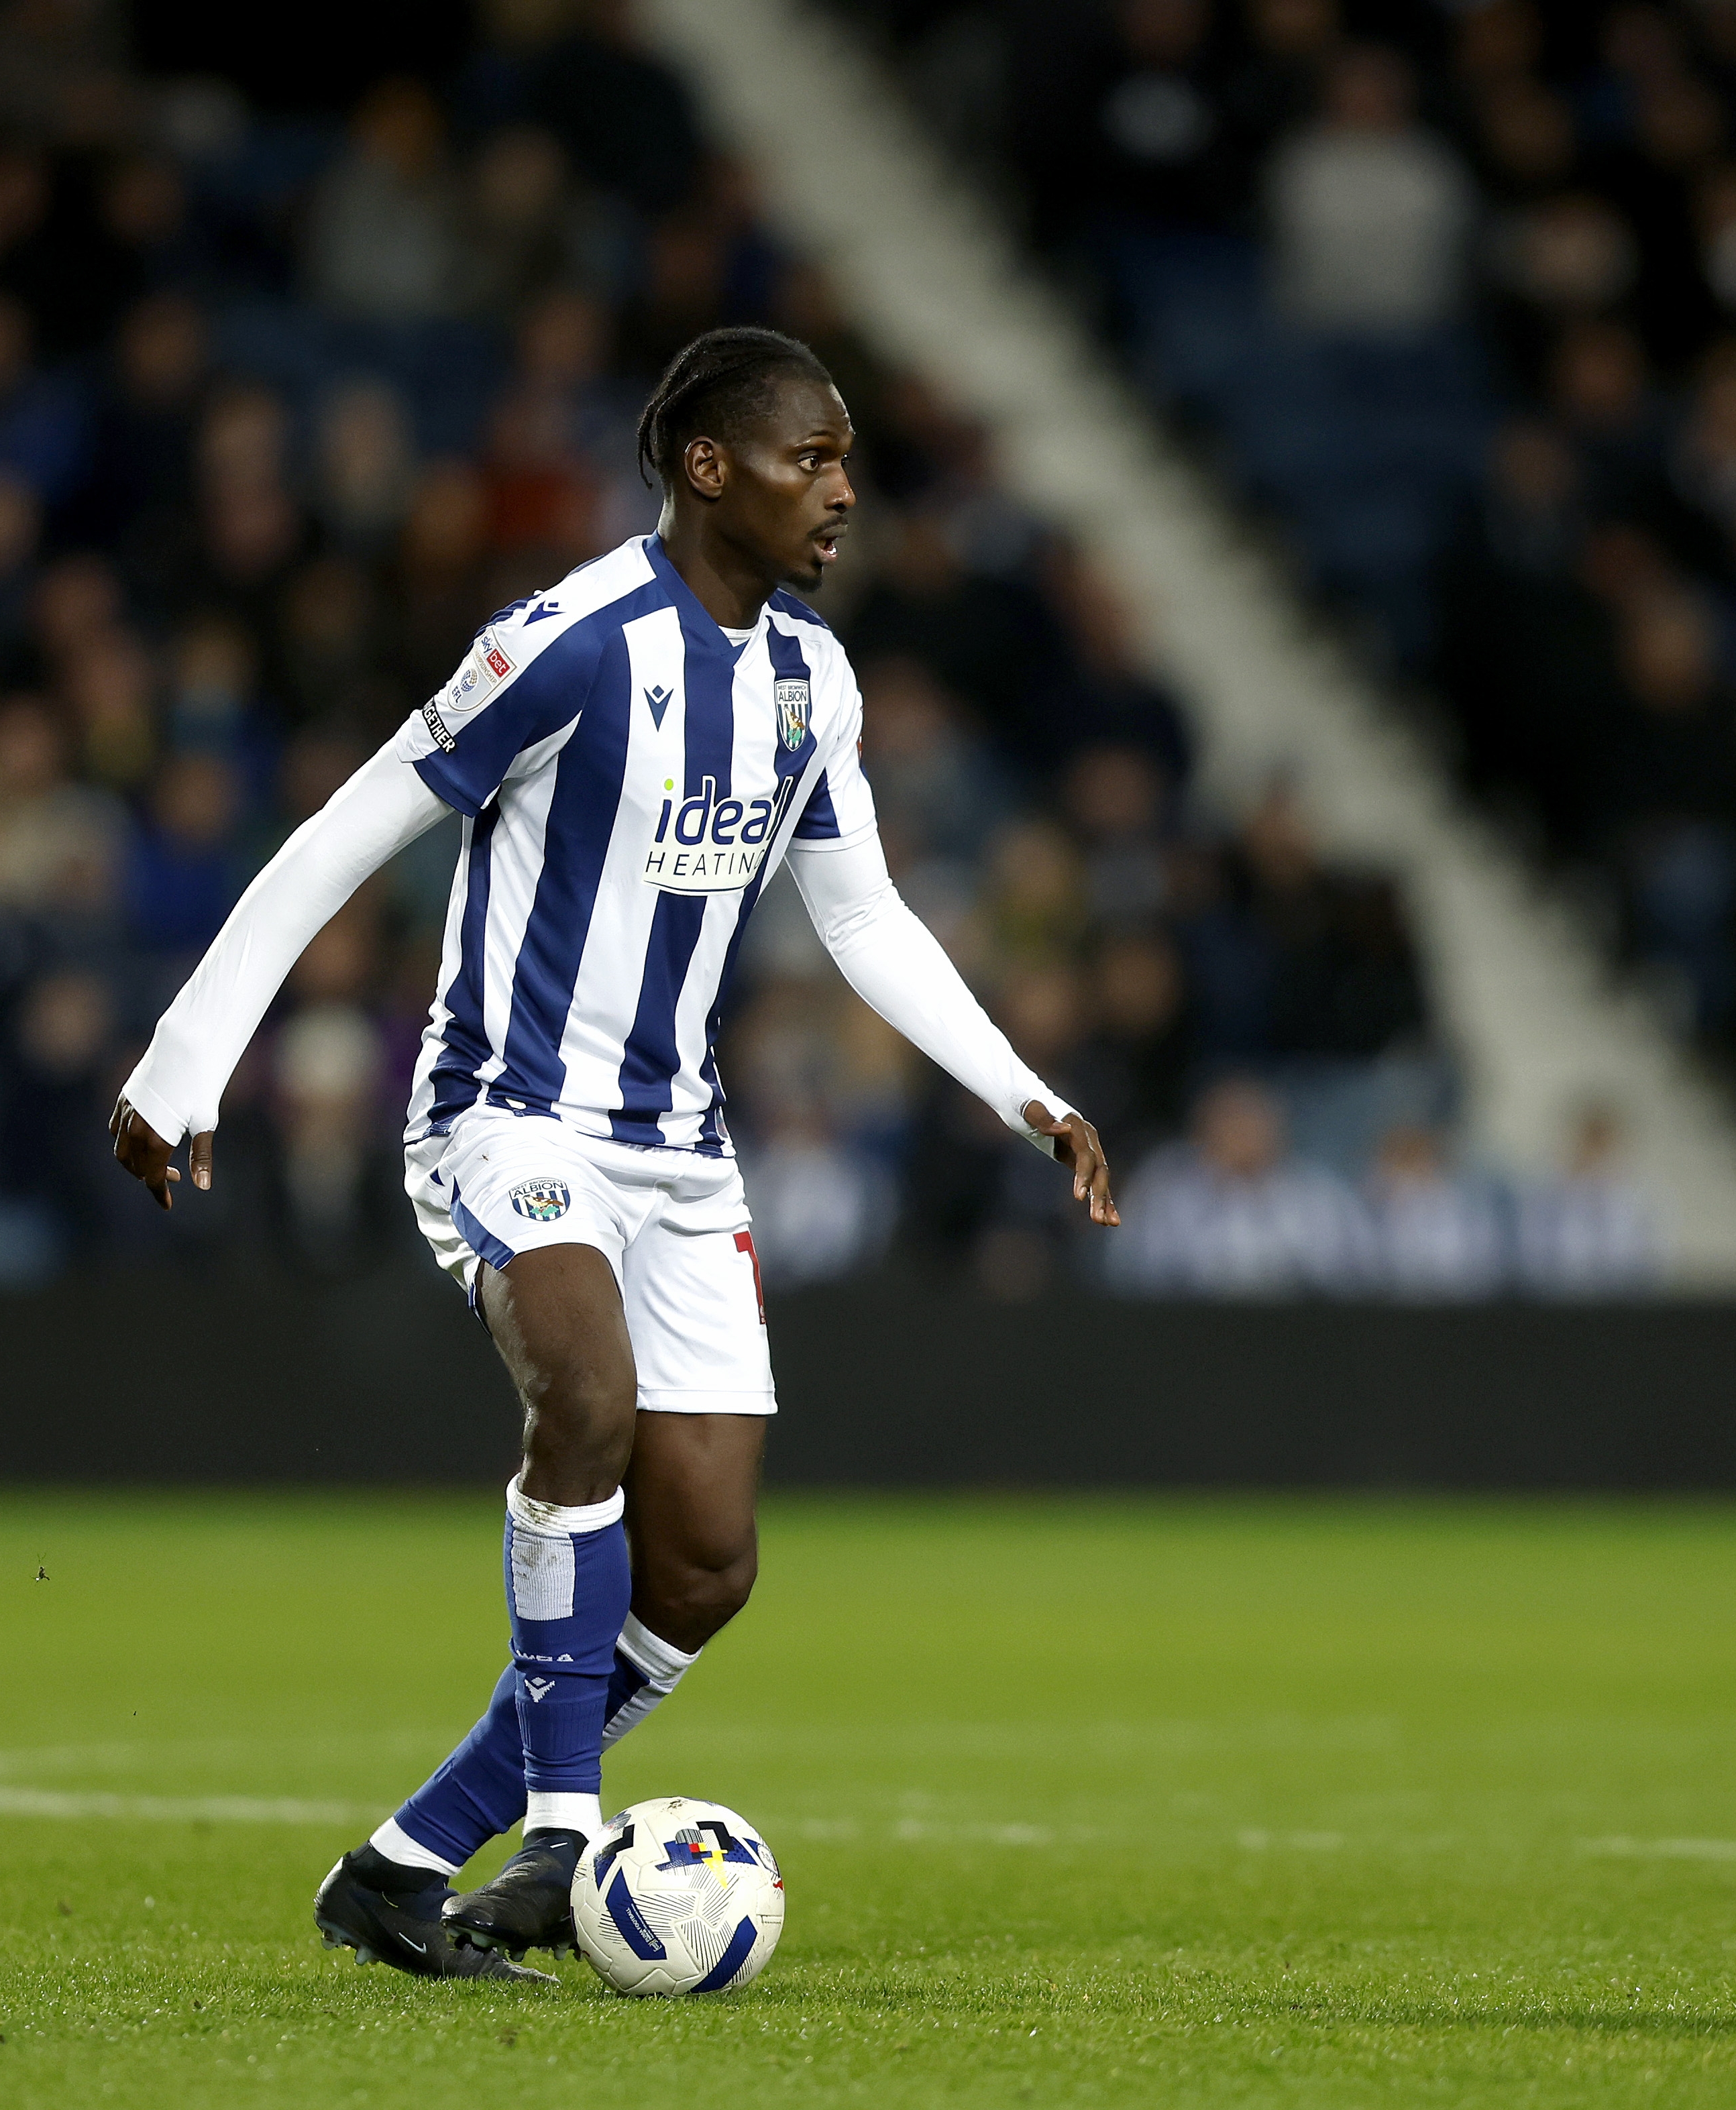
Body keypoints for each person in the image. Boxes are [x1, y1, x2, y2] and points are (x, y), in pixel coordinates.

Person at [105, 329, 1118, 1979]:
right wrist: (183, 1059)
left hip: (678, 1150)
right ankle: (565, 1835)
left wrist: (1024, 1092)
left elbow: (859, 914)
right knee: (583, 1398)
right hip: (506, 1112)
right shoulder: (565, 642)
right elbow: (347, 827)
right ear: (708, 468)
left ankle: (401, 1866)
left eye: (846, 461)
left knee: (705, 1562)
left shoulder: (811, 678)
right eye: (808, 458)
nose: (841, 492)